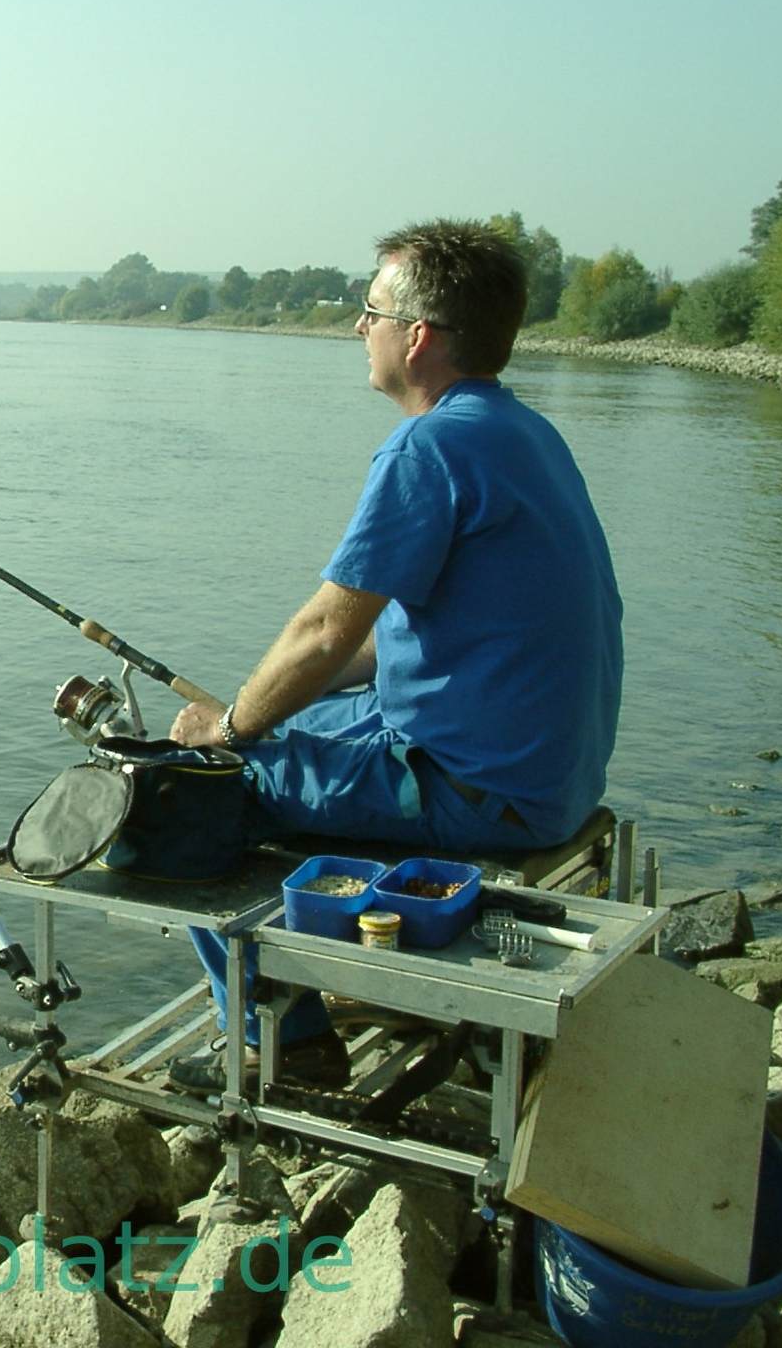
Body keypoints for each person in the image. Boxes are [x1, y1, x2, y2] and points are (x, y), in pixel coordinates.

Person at [162, 219, 623, 1092]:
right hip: (546, 769)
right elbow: (381, 644)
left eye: (368, 311)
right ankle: (333, 973)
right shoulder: (519, 431)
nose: (356, 329)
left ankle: (288, 1045)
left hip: (478, 786)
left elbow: (326, 630)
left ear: (417, 337)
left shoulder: (430, 446)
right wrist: (265, 711)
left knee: (183, 794)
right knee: (266, 734)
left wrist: (226, 728)